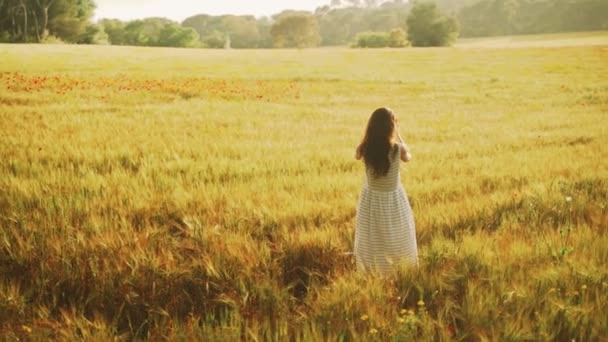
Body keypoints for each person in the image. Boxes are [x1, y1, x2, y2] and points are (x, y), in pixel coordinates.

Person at [354, 107, 418, 274]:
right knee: (396, 237)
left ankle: (372, 271)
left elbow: (357, 155)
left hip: (371, 202)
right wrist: (399, 137)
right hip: (393, 202)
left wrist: (366, 139)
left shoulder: (365, 148)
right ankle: (398, 270)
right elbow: (408, 157)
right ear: (392, 127)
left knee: (371, 238)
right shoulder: (398, 149)